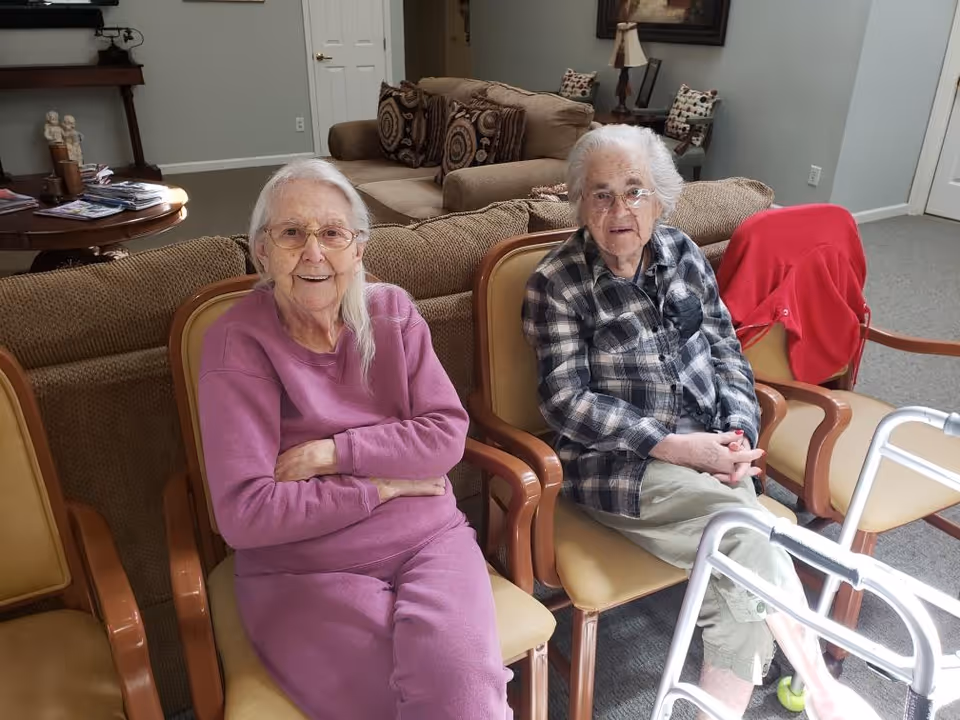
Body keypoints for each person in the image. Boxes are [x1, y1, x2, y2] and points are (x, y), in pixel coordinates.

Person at [522, 124, 881, 720]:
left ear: (660, 198)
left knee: (737, 568)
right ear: (579, 202)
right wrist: (674, 446)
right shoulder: (556, 283)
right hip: (621, 466)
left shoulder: (682, 251)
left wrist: (739, 428)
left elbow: (724, 349)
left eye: (634, 191)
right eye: (601, 193)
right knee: (753, 535)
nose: (619, 210)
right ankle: (820, 689)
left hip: (715, 449)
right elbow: (564, 400)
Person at [198, 158, 511, 719]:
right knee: (387, 706)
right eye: (291, 233)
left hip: (430, 543)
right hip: (302, 569)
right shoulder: (236, 342)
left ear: (359, 248)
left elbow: (445, 437)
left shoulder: (393, 311)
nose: (313, 253)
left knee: (465, 700)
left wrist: (332, 453)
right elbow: (247, 514)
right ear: (261, 251)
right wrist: (384, 486)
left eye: (332, 233)